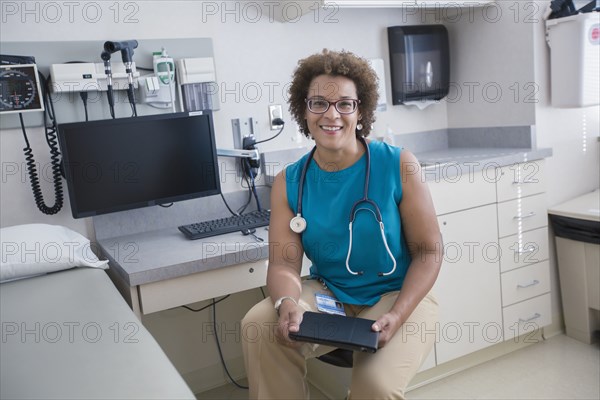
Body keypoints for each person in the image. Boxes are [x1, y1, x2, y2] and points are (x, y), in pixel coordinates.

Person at [242, 49, 442, 400]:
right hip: (330, 292)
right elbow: (285, 264)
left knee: (375, 388)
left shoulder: (398, 165)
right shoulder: (290, 182)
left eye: (344, 104)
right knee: (258, 326)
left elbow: (429, 251)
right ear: (304, 110)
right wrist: (287, 302)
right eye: (319, 103)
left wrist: (397, 314)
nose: (331, 114)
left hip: (398, 294)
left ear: (360, 110)